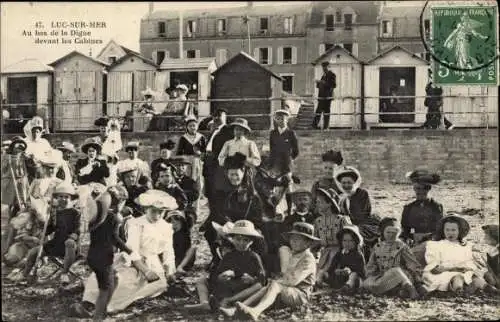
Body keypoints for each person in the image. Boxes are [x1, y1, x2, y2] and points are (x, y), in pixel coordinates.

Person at [80, 189, 178, 314]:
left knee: (159, 284)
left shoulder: (166, 227)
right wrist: (145, 270)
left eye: (161, 212)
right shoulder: (137, 223)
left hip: (152, 261)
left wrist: (170, 271)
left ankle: (111, 304)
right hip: (133, 260)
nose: (157, 215)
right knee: (122, 281)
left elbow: (169, 250)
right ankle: (94, 304)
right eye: (154, 211)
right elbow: (133, 249)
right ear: (145, 209)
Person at [223, 222, 319, 320]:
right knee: (267, 287)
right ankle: (235, 309)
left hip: (300, 294)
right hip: (289, 290)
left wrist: (276, 282)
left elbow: (293, 281)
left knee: (275, 285)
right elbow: (286, 277)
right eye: (292, 238)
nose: (293, 242)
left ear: (308, 243)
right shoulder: (294, 254)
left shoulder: (308, 258)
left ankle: (256, 311)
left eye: (297, 239)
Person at [70, 185, 131, 320]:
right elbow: (115, 239)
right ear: (119, 201)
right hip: (104, 258)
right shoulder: (113, 218)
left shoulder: (99, 215)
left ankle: (101, 312)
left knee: (114, 278)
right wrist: (130, 251)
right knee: (104, 289)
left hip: (94, 256)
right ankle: (98, 317)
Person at [9, 182, 81, 284]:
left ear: (70, 198)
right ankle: (25, 275)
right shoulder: (55, 212)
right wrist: (44, 228)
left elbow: (79, 228)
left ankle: (64, 274)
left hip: (71, 246)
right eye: (61, 196)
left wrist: (73, 237)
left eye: (66, 197)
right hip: (57, 243)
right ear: (57, 198)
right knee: (33, 252)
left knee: (69, 243)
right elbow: (51, 228)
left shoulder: (75, 213)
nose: (63, 199)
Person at [203, 153, 264, 264]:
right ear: (226, 174)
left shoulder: (251, 195)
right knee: (210, 230)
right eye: (231, 174)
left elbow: (257, 217)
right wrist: (228, 225)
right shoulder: (221, 192)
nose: (234, 178)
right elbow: (218, 212)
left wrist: (246, 227)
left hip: (247, 227)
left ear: (243, 173)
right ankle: (218, 259)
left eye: (237, 174)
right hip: (228, 227)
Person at [421, 213, 488, 295]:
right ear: (443, 230)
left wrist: (468, 268)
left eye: (453, 230)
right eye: (447, 230)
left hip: (464, 272)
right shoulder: (435, 245)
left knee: (474, 277)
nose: (450, 233)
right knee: (457, 277)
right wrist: (455, 269)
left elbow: (469, 263)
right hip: (443, 273)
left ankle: (490, 290)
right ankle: (459, 291)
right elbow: (434, 268)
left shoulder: (465, 246)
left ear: (459, 231)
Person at [208, 220, 266, 311]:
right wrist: (221, 277)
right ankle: (218, 303)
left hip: (245, 290)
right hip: (231, 286)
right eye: (238, 239)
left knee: (258, 287)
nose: (241, 243)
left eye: (245, 240)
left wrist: (252, 280)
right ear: (232, 239)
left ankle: (229, 302)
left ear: (251, 242)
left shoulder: (254, 256)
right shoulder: (228, 256)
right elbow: (217, 274)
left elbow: (262, 279)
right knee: (219, 285)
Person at [363, 217, 424, 299]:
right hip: (385, 277)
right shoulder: (377, 246)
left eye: (394, 232)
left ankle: (410, 288)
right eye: (388, 232)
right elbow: (371, 264)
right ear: (383, 232)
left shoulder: (402, 247)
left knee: (395, 271)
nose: (391, 235)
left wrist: (418, 281)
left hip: (401, 277)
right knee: (367, 283)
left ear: (399, 233)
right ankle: (396, 291)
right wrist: (371, 274)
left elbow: (412, 264)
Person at [185, 222, 236, 311]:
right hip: (216, 278)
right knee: (201, 280)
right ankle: (204, 303)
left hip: (231, 280)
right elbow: (215, 266)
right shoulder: (218, 248)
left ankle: (222, 303)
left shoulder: (236, 252)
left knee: (225, 281)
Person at [401, 170, 444, 265]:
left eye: (424, 189)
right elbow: (405, 230)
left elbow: (440, 229)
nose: (420, 191)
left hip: (432, 242)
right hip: (414, 242)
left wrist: (427, 237)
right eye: (417, 189)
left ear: (429, 189)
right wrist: (411, 238)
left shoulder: (436, 207)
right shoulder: (408, 208)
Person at [336, 166, 380, 256]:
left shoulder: (362, 193)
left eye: (349, 183)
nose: (346, 185)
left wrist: (349, 222)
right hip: (348, 224)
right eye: (344, 183)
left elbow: (363, 213)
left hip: (365, 223)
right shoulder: (342, 198)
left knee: (355, 233)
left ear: (355, 183)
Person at [313, 188, 351, 285]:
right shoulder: (318, 221)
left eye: (320, 202)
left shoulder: (341, 220)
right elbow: (315, 242)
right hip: (324, 254)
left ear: (329, 203)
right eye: (316, 202)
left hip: (340, 254)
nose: (317, 204)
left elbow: (352, 239)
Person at [269, 109, 299, 216]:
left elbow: (296, 151)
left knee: (288, 186)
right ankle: (274, 209)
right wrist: (271, 164)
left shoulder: (291, 133)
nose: (281, 121)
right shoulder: (273, 133)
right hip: (276, 165)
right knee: (275, 187)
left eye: (283, 119)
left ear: (287, 120)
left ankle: (290, 209)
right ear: (276, 120)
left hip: (286, 165)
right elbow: (272, 149)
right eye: (278, 119)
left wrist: (289, 159)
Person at [218, 117, 261, 190]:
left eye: (241, 130)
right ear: (233, 131)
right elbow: (220, 158)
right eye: (236, 129)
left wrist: (245, 159)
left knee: (248, 193)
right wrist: (228, 160)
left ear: (244, 131)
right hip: (230, 170)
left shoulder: (250, 143)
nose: (238, 132)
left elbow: (257, 161)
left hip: (245, 172)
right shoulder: (228, 143)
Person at [202, 108, 233, 205]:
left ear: (225, 117)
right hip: (208, 164)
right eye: (215, 116)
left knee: (219, 191)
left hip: (218, 165)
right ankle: (213, 213)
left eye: (219, 116)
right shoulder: (213, 131)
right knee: (210, 191)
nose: (216, 118)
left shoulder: (228, 131)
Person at [327, 225, 366, 294]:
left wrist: (350, 271)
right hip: (341, 277)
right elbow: (332, 267)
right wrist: (336, 270)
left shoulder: (358, 255)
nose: (347, 243)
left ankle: (348, 287)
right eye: (344, 240)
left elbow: (362, 271)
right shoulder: (340, 253)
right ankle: (319, 283)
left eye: (351, 241)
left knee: (353, 275)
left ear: (356, 242)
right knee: (324, 273)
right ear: (341, 241)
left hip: (354, 278)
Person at [176, 115, 207, 186]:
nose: (192, 127)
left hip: (198, 160)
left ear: (197, 127)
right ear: (187, 127)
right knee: (188, 177)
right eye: (190, 126)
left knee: (199, 177)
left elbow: (205, 150)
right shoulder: (183, 138)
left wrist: (201, 153)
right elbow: (179, 152)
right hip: (187, 161)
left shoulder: (201, 137)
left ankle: (199, 193)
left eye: (194, 125)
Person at [23, 116, 53, 181]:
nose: (36, 134)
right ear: (30, 131)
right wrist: (28, 157)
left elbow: (50, 155)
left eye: (38, 132)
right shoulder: (25, 142)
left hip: (42, 171)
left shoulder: (44, 142)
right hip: (28, 171)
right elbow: (21, 155)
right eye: (34, 131)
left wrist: (43, 160)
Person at [175, 156, 200, 223]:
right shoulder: (170, 180)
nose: (180, 168)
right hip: (173, 207)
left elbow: (195, 195)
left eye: (182, 166)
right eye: (177, 166)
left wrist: (181, 193)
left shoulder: (190, 181)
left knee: (189, 219)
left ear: (185, 168)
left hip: (187, 208)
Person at [313, 61, 336, 130]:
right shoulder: (323, 75)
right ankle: (315, 125)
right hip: (321, 96)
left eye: (325, 67)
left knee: (326, 111)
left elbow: (333, 85)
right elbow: (319, 86)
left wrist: (322, 82)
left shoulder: (332, 75)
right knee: (319, 111)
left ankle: (325, 126)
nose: (324, 69)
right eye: (323, 67)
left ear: (328, 67)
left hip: (327, 96)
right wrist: (318, 82)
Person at [482, 225, 500, 292]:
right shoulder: (492, 249)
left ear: (494, 238)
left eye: (486, 236)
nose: (484, 238)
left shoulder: (496, 251)